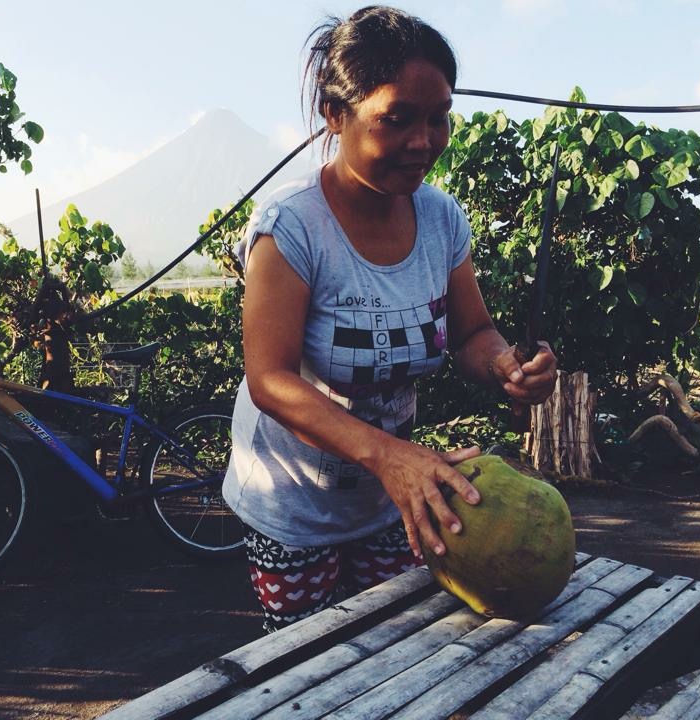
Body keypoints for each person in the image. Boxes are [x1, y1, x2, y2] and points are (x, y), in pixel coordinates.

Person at [222, 5, 558, 633]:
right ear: (336, 113)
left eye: (438, 118)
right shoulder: (292, 227)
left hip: (398, 495)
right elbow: (270, 380)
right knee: (307, 660)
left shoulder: (441, 219)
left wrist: (505, 365)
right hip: (293, 503)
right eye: (397, 118)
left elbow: (472, 333)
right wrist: (389, 455)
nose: (424, 141)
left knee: (391, 644)